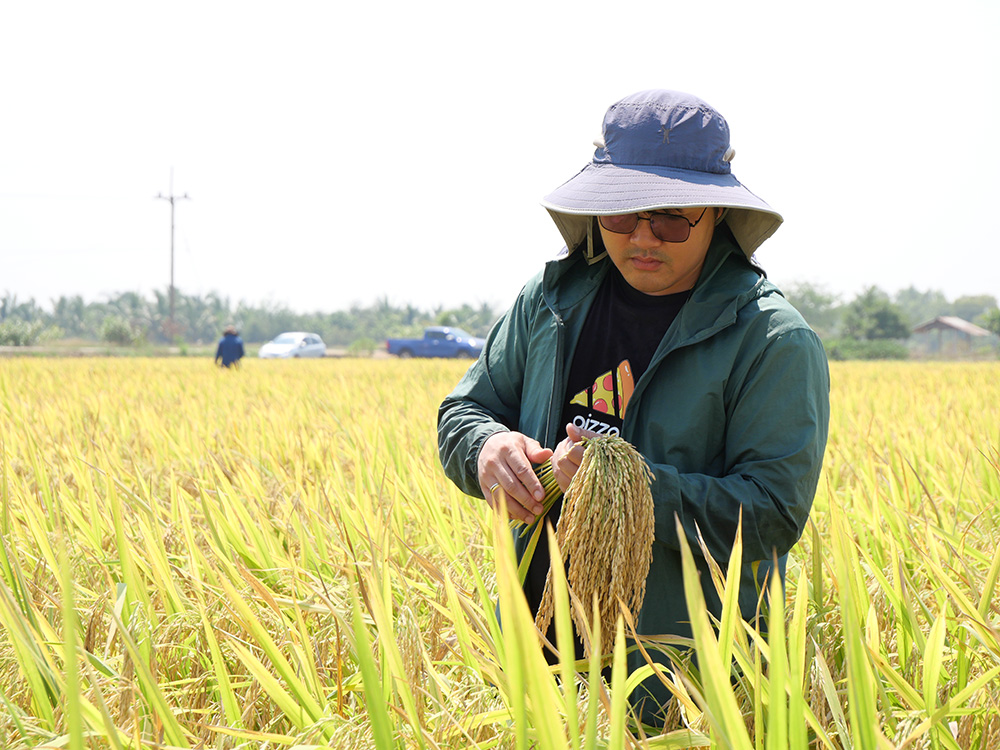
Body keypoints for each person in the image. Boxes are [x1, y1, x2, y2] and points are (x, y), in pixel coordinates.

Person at [437, 89, 830, 726]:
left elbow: (772, 513)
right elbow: (465, 410)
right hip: (536, 660)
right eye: (622, 217)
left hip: (680, 685)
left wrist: (618, 483)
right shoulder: (551, 300)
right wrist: (486, 449)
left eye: (671, 219)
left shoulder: (770, 340)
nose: (643, 237)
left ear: (716, 216)